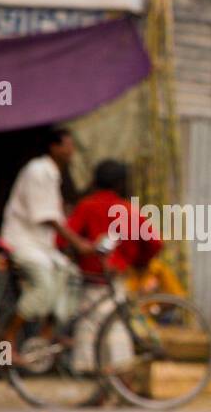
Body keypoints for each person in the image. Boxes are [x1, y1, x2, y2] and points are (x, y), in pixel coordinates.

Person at [0, 127, 94, 364]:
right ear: (54, 147)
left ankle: (46, 336)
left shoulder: (52, 174)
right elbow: (46, 216)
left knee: (70, 275)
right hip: (22, 242)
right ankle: (7, 338)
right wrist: (77, 242)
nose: (72, 151)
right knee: (43, 285)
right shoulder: (39, 171)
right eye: (68, 146)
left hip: (42, 247)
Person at [58, 160, 161, 375]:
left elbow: (62, 240)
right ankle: (118, 376)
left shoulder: (87, 205)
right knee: (115, 326)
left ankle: (92, 376)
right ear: (120, 184)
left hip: (89, 277)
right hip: (115, 277)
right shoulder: (127, 210)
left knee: (88, 325)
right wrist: (137, 262)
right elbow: (153, 243)